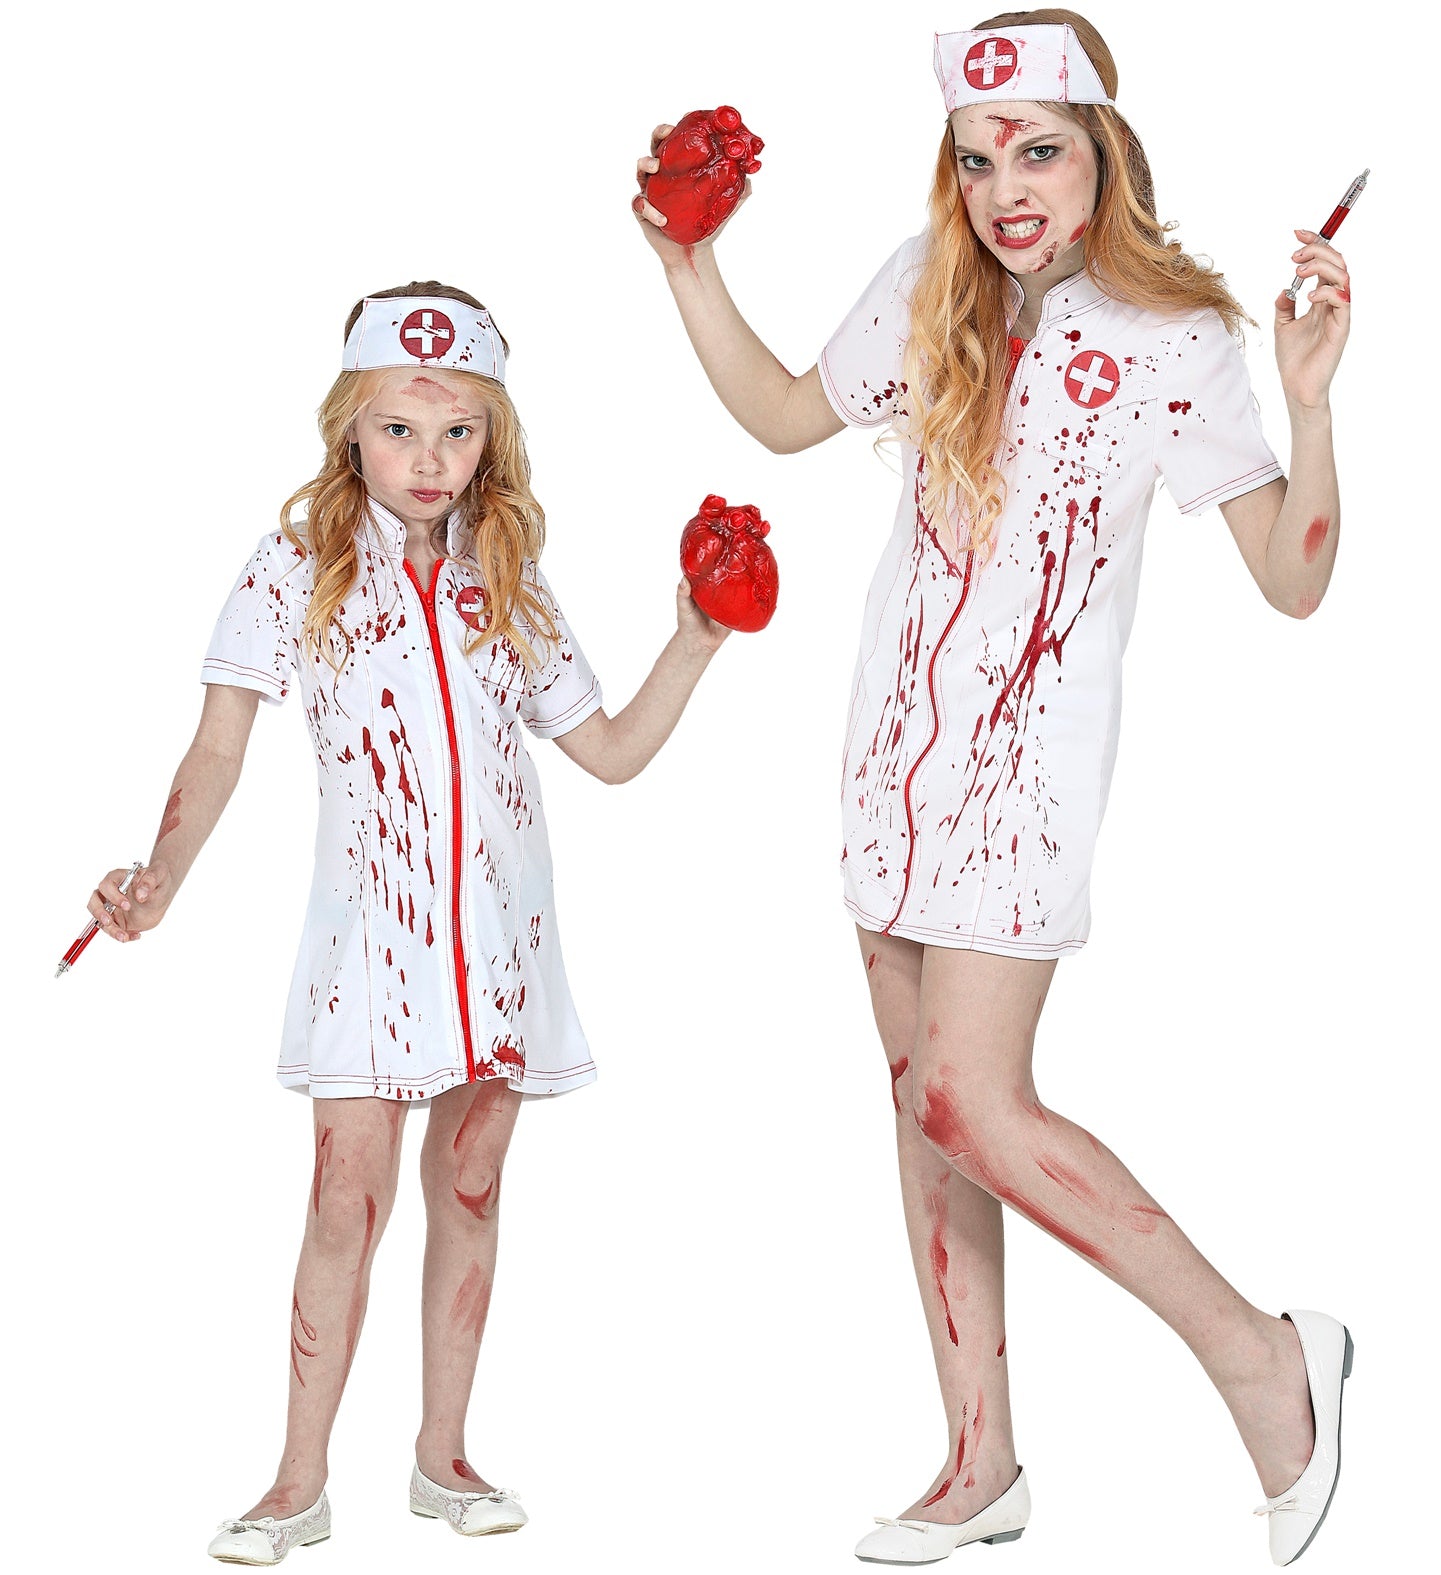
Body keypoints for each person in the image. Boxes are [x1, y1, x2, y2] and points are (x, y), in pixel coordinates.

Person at [632, 11, 1351, 1567]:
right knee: (923, 1113)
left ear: (1104, 153)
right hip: (888, 754)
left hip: (1022, 781)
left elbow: (1292, 580)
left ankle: (1264, 1353)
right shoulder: (927, 283)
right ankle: (979, 1459)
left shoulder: (1172, 337)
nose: (1005, 188)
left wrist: (1309, 401)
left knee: (972, 1095)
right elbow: (784, 412)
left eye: (1037, 151)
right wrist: (687, 262)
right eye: (975, 159)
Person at [82, 282, 730, 1565]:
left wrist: (696, 640)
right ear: (350, 429)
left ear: (493, 436)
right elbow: (219, 746)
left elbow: (607, 753)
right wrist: (158, 874)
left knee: (471, 1192)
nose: (428, 461)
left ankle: (444, 1458)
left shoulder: (508, 575)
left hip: (500, 941)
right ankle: (295, 1482)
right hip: (369, 947)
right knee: (345, 1204)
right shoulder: (293, 566)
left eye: (456, 433)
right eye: (397, 430)